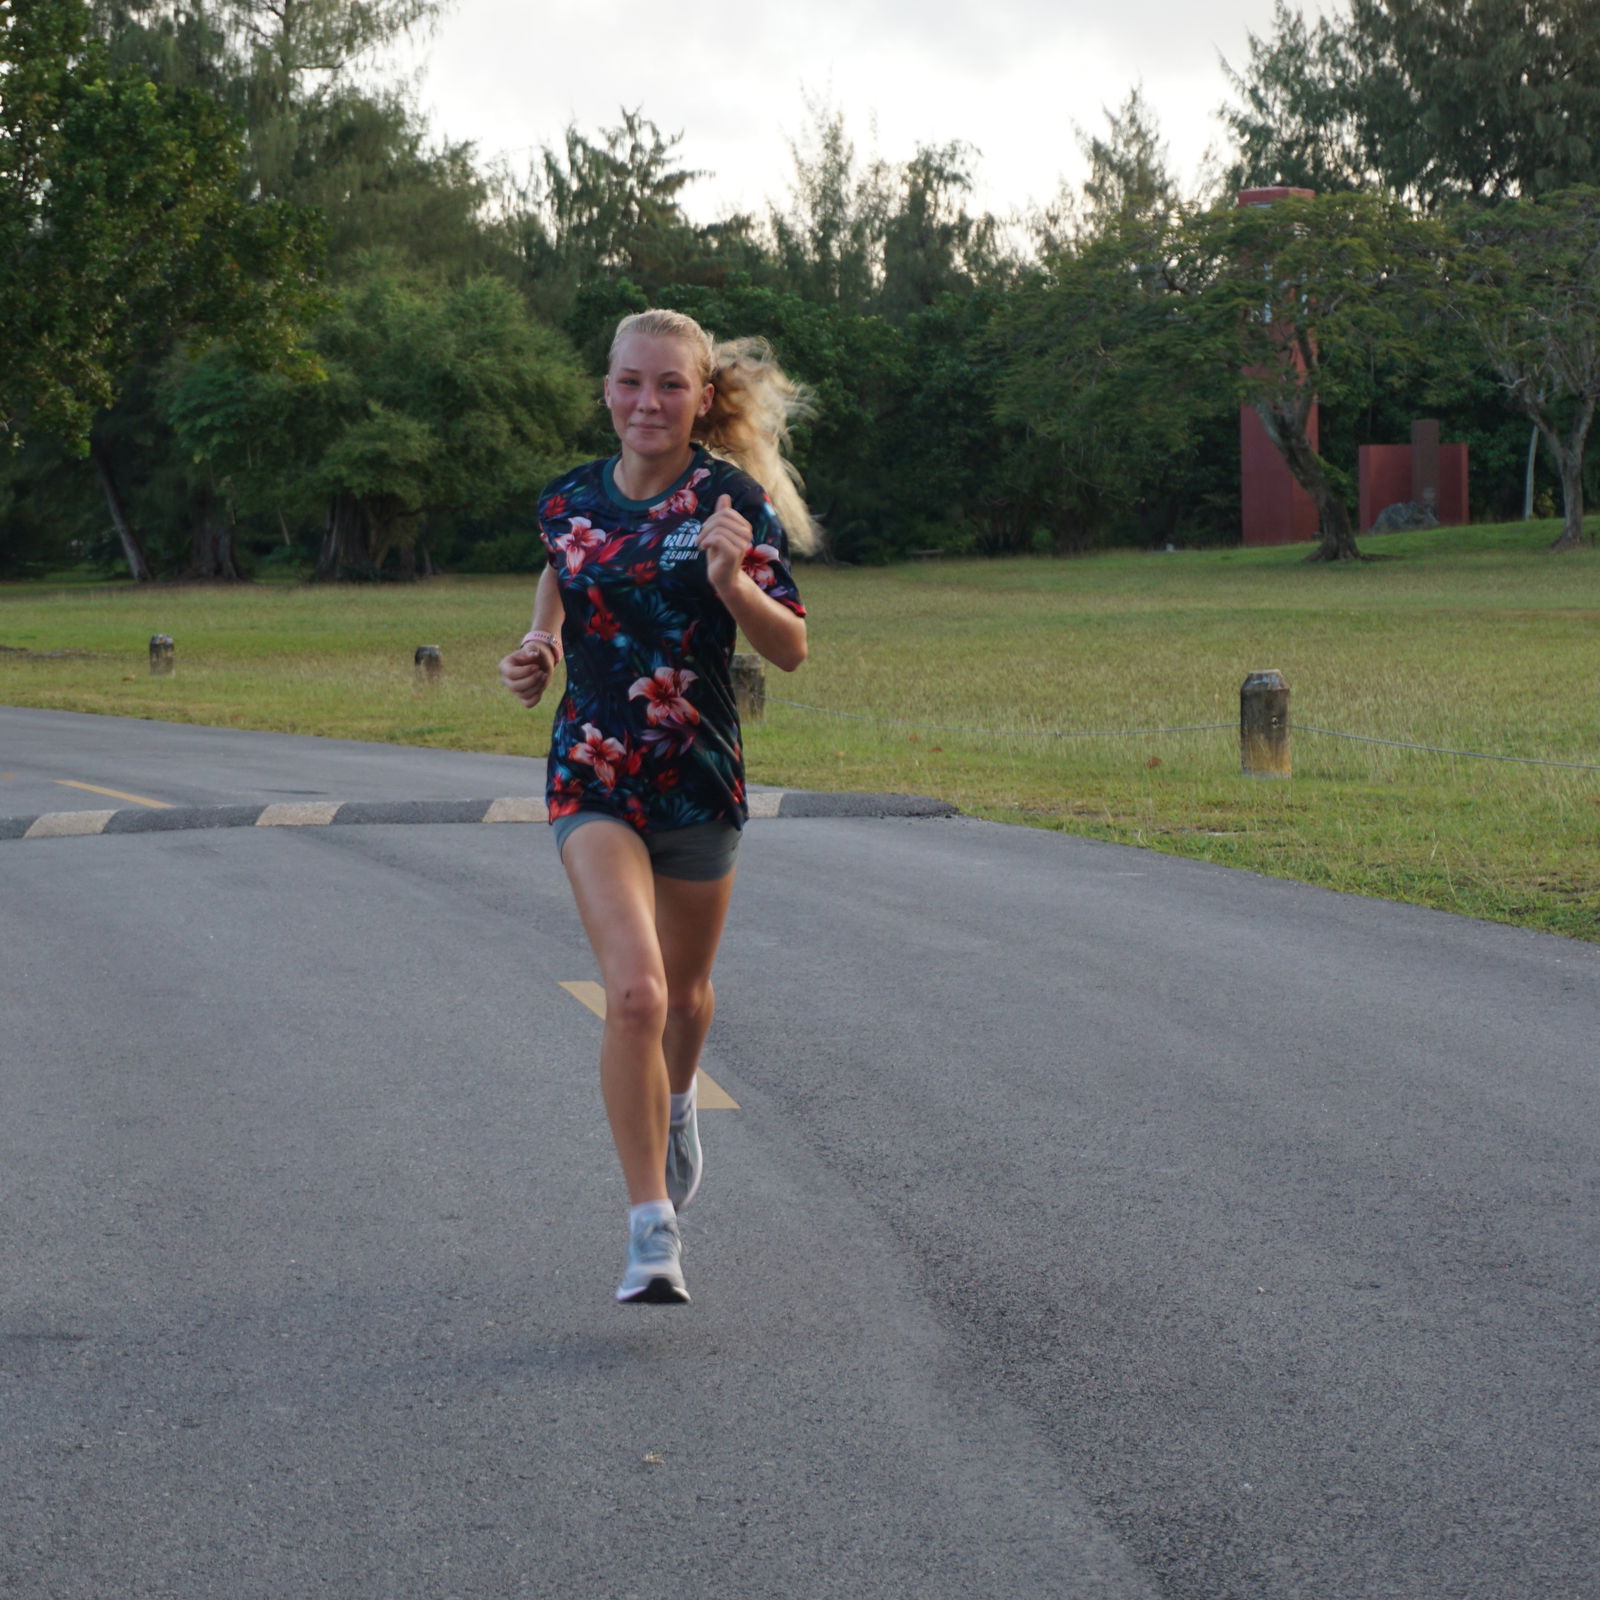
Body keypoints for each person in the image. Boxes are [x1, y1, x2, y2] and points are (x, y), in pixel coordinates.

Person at [499, 309, 816, 1305]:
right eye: (630, 382)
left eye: (669, 385)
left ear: (702, 397)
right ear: (606, 389)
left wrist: (731, 583)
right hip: (591, 768)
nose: (648, 401)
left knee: (682, 998)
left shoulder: (732, 501)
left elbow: (790, 646)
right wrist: (540, 643)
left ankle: (679, 1105)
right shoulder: (564, 500)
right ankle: (650, 1228)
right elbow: (566, 565)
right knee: (631, 992)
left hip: (696, 774)